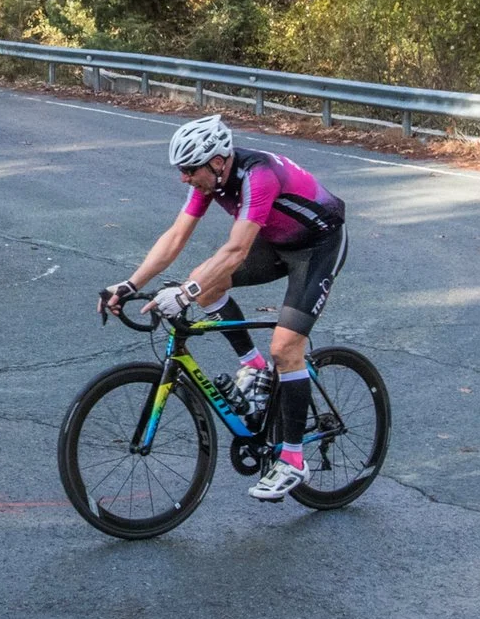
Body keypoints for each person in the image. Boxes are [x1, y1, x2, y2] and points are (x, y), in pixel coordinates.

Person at [99, 115, 350, 501]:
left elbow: (236, 250)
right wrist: (131, 283)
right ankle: (252, 367)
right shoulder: (209, 181)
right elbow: (176, 236)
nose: (184, 178)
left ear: (217, 162)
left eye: (188, 169)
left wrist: (184, 294)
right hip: (277, 241)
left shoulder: (258, 176)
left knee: (285, 347)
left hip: (318, 247)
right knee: (201, 281)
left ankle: (294, 459)